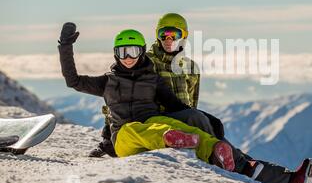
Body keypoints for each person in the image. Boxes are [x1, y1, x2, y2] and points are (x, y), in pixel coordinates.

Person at [90, 13, 312, 183]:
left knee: (210, 127)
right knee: (202, 124)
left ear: (183, 36)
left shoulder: (190, 68)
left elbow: (190, 103)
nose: (169, 39)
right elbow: (118, 94)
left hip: (182, 119)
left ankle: (286, 180)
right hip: (153, 123)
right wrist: (107, 134)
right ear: (157, 36)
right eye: (164, 34)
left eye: (174, 34)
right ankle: (251, 168)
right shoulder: (145, 61)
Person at [58, 23, 235, 171]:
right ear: (115, 54)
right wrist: (65, 46)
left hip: (152, 121)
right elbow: (73, 81)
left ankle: (214, 149)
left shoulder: (152, 80)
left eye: (133, 51)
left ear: (141, 52)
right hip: (123, 138)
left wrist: (204, 119)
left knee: (173, 123)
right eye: (122, 52)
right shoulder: (108, 82)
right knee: (132, 130)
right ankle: (170, 138)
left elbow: (176, 106)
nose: (127, 57)